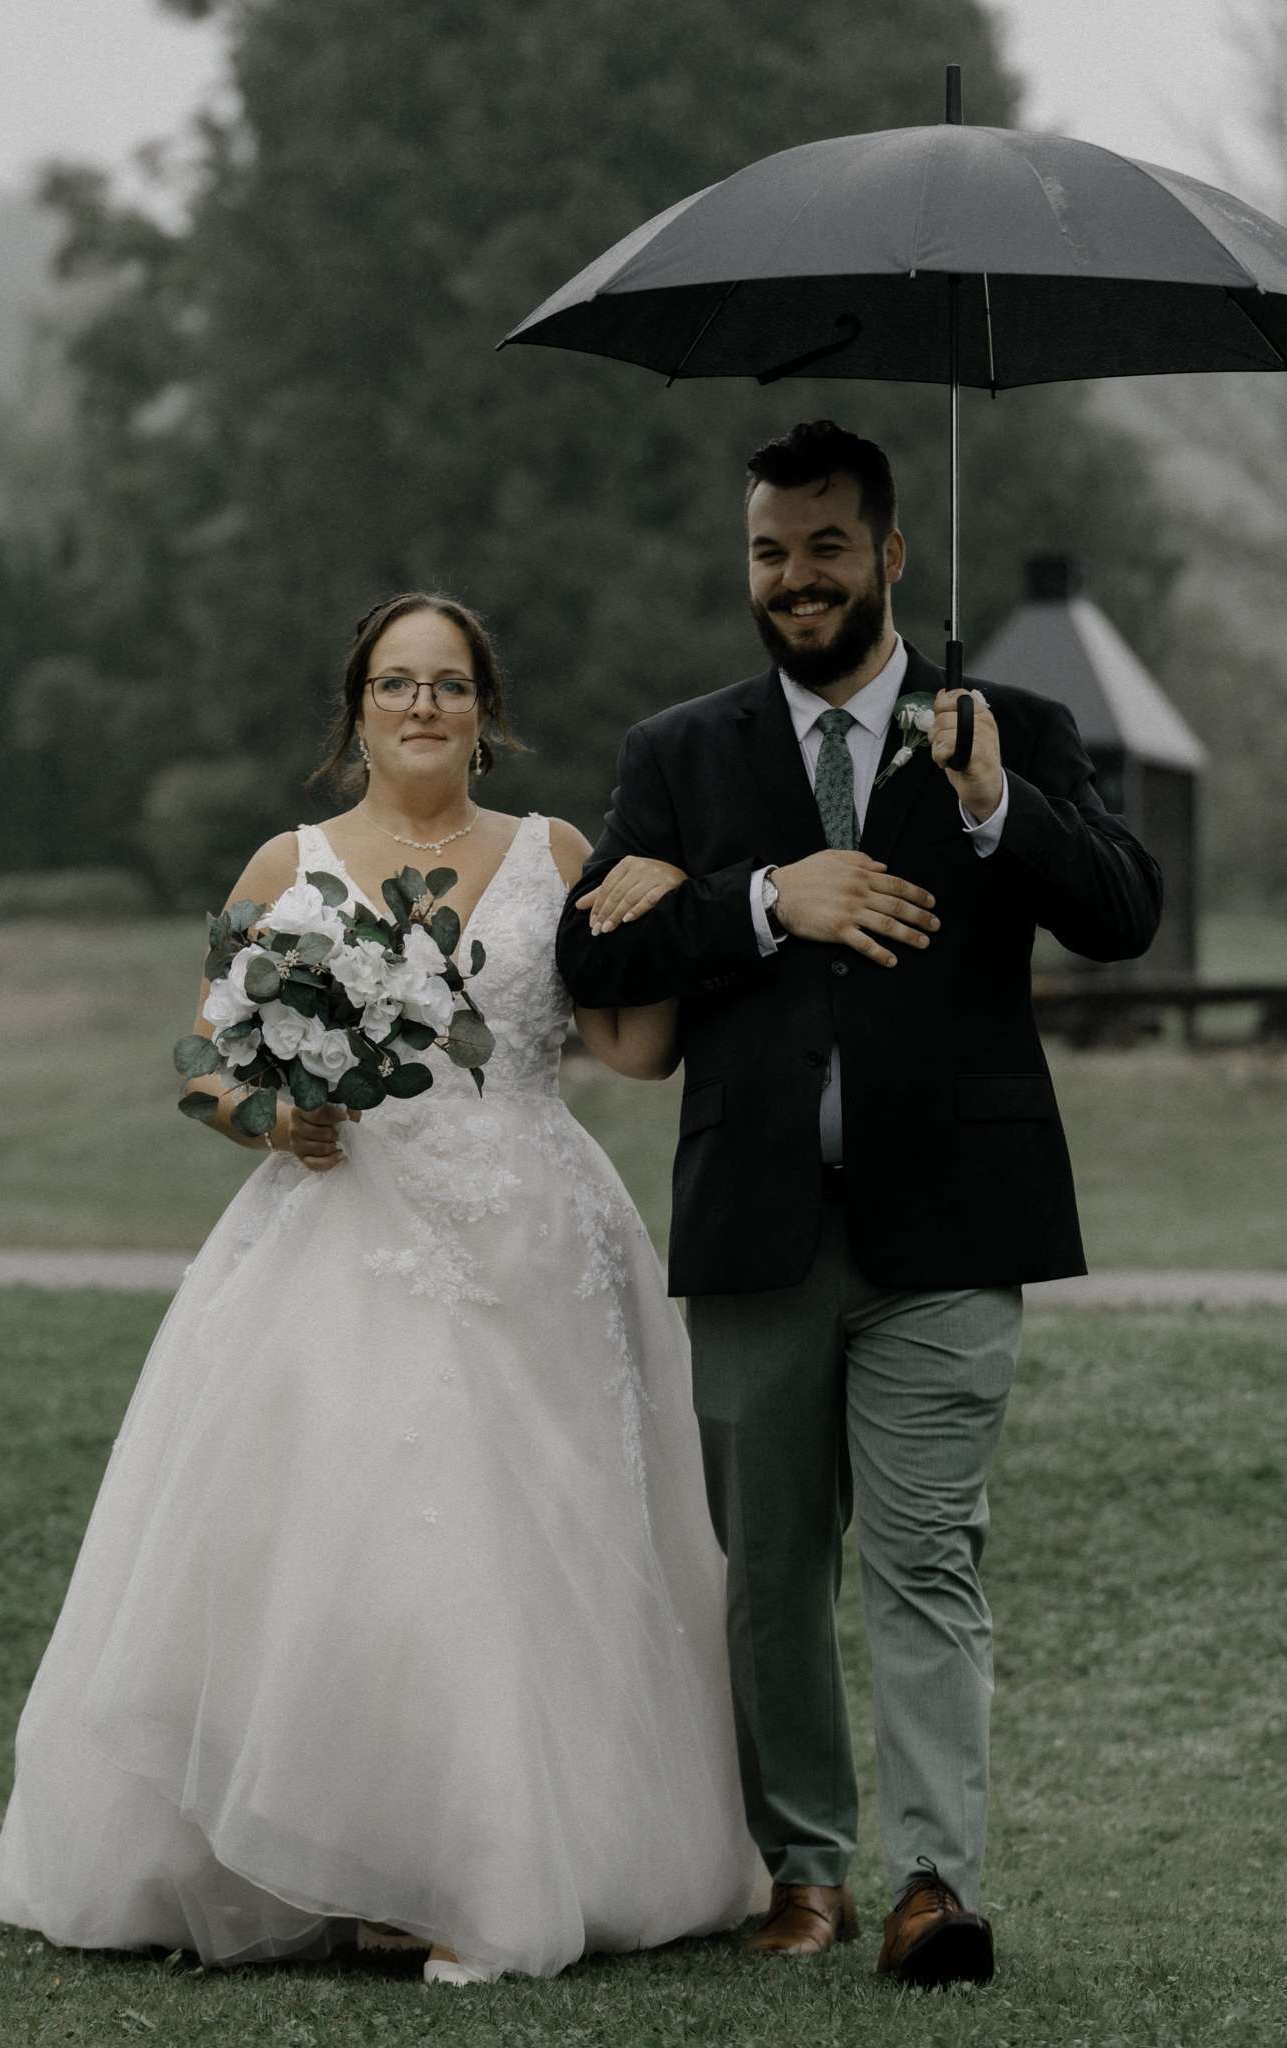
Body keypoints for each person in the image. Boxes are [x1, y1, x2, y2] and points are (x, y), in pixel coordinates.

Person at [0, 592, 755, 1986]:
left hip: (538, 1238)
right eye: (397, 683)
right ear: (356, 708)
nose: (423, 706)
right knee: (361, 1543)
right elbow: (206, 1064)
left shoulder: (557, 854)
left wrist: (673, 915)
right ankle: (338, 1854)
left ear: (486, 710)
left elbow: (632, 1050)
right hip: (343, 1228)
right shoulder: (287, 865)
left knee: (530, 1550)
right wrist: (275, 1121)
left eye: (449, 684)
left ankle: (498, 1858)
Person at [556, 419, 1162, 1988]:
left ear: (889, 554)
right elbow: (591, 957)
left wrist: (995, 807)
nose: (795, 577)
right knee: (767, 1572)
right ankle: (805, 1871)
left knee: (926, 1557)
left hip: (951, 1227)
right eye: (768, 551)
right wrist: (767, 899)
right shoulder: (679, 754)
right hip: (754, 1226)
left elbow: (1122, 913)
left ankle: (933, 1886)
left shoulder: (1010, 727)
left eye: (825, 546)